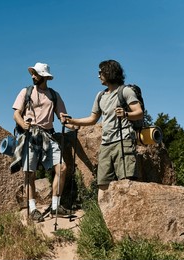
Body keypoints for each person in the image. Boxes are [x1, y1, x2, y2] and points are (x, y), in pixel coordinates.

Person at [61, 59, 143, 204]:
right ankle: (104, 219)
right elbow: (93, 119)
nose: (98, 75)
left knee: (126, 181)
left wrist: (125, 114)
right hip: (106, 143)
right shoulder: (100, 96)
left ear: (109, 72)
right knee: (103, 183)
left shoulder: (125, 91)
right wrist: (71, 121)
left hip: (123, 140)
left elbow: (139, 112)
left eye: (100, 72)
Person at [12, 62, 74, 222]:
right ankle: (33, 209)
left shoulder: (54, 95)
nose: (33, 76)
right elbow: (16, 114)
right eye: (32, 73)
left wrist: (74, 124)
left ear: (44, 76)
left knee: (62, 168)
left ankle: (55, 205)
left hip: (48, 135)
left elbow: (63, 117)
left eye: (36, 74)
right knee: (29, 173)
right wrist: (23, 124)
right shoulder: (26, 92)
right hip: (30, 135)